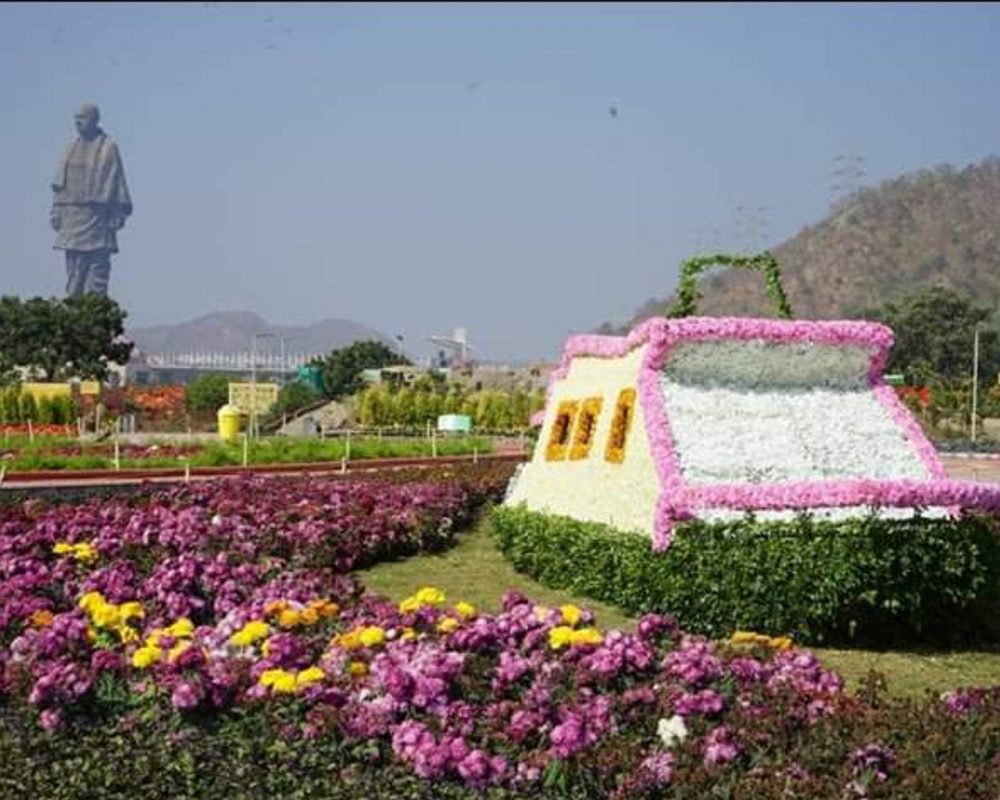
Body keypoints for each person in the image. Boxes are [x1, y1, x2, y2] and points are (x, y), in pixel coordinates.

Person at [50, 103, 133, 297]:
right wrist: (55, 211)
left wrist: (118, 213)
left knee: (98, 272)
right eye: (76, 118)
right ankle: (73, 316)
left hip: (98, 218)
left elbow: (117, 180)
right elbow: (59, 185)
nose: (78, 122)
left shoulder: (108, 147)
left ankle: (95, 316)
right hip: (72, 216)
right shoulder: (69, 148)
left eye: (83, 118)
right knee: (74, 274)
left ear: (95, 120)